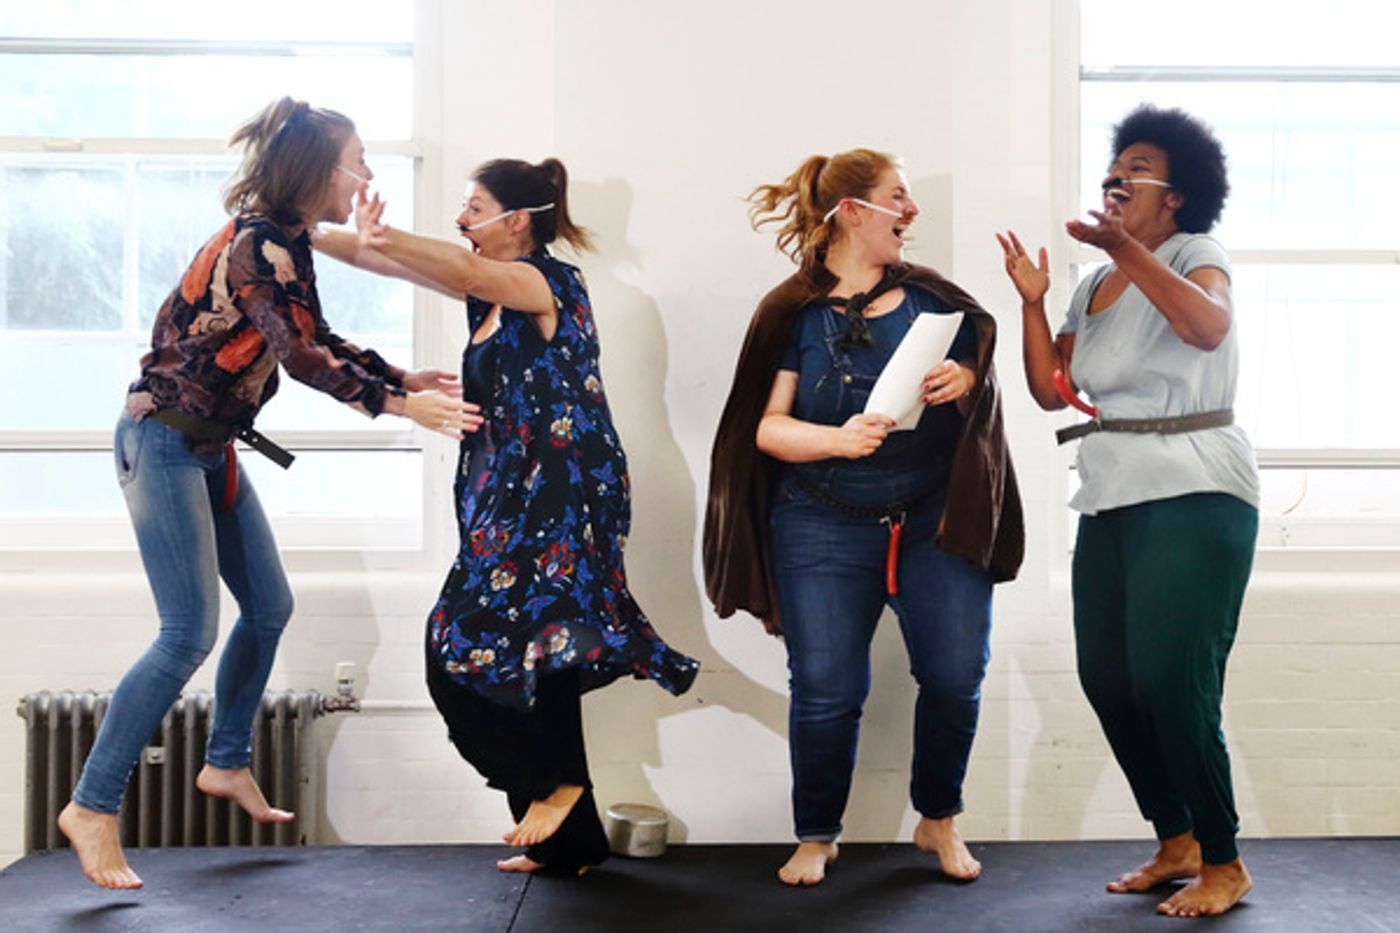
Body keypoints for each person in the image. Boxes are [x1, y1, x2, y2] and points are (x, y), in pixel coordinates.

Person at [57, 97, 478, 890]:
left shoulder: (288, 243)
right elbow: (303, 359)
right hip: (163, 441)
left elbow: (312, 334)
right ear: (320, 169)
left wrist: (397, 375)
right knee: (186, 633)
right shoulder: (258, 246)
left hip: (208, 448)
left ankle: (225, 761)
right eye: (360, 160)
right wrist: (396, 405)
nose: (367, 176)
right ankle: (92, 804)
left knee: (271, 606)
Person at [316, 156, 699, 875]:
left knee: (492, 644)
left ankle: (553, 786)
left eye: (473, 207)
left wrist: (387, 233)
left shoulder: (544, 282)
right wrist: (295, 230)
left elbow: (449, 267)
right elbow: (382, 260)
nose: (461, 221)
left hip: (561, 490)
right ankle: (569, 838)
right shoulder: (485, 296)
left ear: (516, 219)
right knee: (529, 652)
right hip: (508, 496)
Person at [703, 149, 1023, 887]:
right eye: (896, 198)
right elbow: (766, 427)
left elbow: (981, 370)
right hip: (818, 520)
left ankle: (938, 816)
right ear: (851, 211)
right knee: (826, 688)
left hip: (930, 519)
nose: (910, 212)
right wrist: (835, 440)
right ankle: (817, 833)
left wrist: (964, 378)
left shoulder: (934, 302)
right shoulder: (792, 312)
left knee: (953, 674)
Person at [997, 104, 1257, 918]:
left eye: (1133, 170)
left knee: (1174, 681)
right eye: (1110, 170)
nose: (1114, 182)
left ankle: (1224, 858)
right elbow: (1050, 391)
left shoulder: (1192, 253)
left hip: (1195, 483)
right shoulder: (1094, 281)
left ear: (1176, 193)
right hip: (1110, 488)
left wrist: (1127, 249)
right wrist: (1035, 303)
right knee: (1109, 676)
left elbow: (1206, 328)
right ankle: (1174, 837)